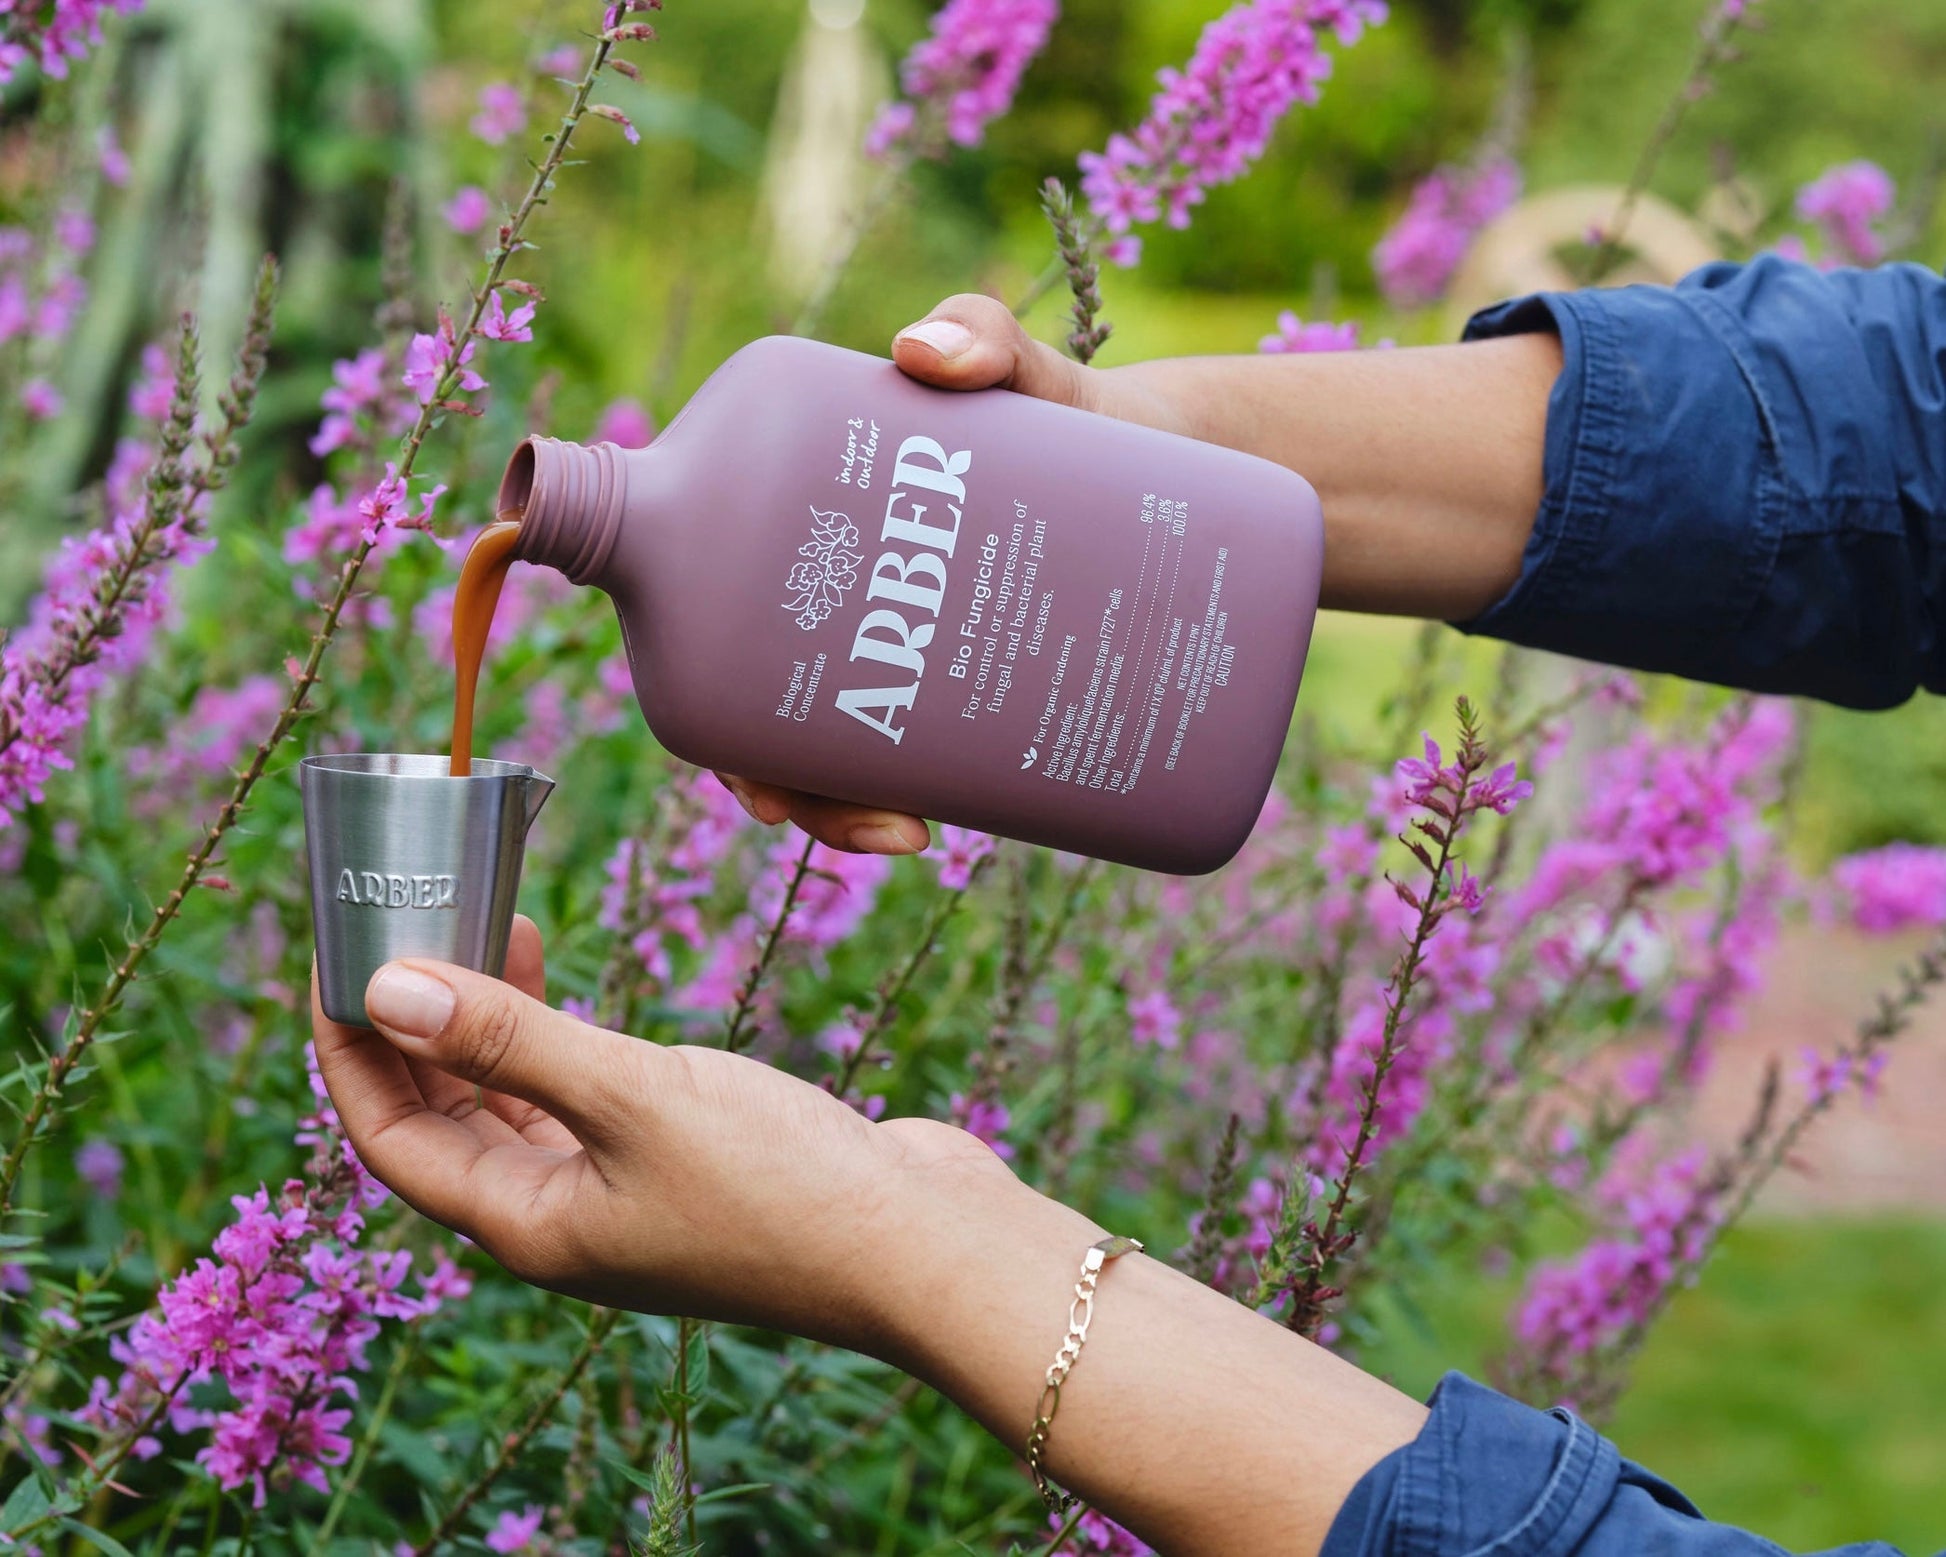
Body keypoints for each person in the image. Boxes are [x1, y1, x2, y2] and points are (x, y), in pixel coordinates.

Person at [314, 254, 1946, 1557]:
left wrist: (904, 1240)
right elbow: (1899, 427)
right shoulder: (705, 602)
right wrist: (1107, 431)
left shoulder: (733, 481)